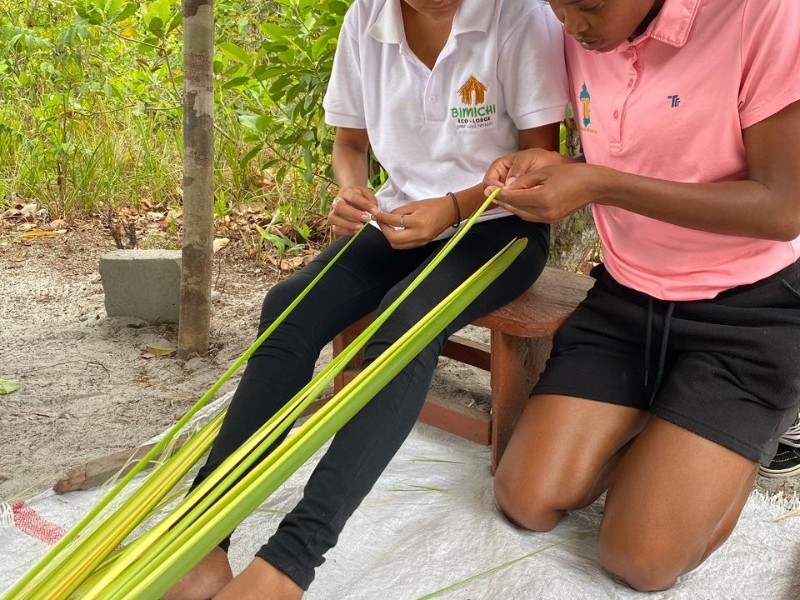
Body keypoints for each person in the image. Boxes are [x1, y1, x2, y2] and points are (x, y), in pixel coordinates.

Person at [164, 1, 568, 598]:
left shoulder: (518, 15)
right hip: (400, 217)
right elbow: (349, 143)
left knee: (406, 322)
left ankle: (288, 563)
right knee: (288, 309)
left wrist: (454, 208)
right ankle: (205, 536)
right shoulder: (367, 18)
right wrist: (353, 193)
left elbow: (543, 166)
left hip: (501, 226)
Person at [487, 0, 800, 592]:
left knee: (640, 560)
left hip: (750, 312)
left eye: (589, 7)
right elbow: (646, 149)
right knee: (525, 497)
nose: (572, 27)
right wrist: (559, 166)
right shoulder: (586, 30)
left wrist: (599, 184)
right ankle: (673, 426)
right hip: (628, 296)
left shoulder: (765, 13)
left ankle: (751, 423)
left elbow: (784, 209)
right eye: (558, 7)